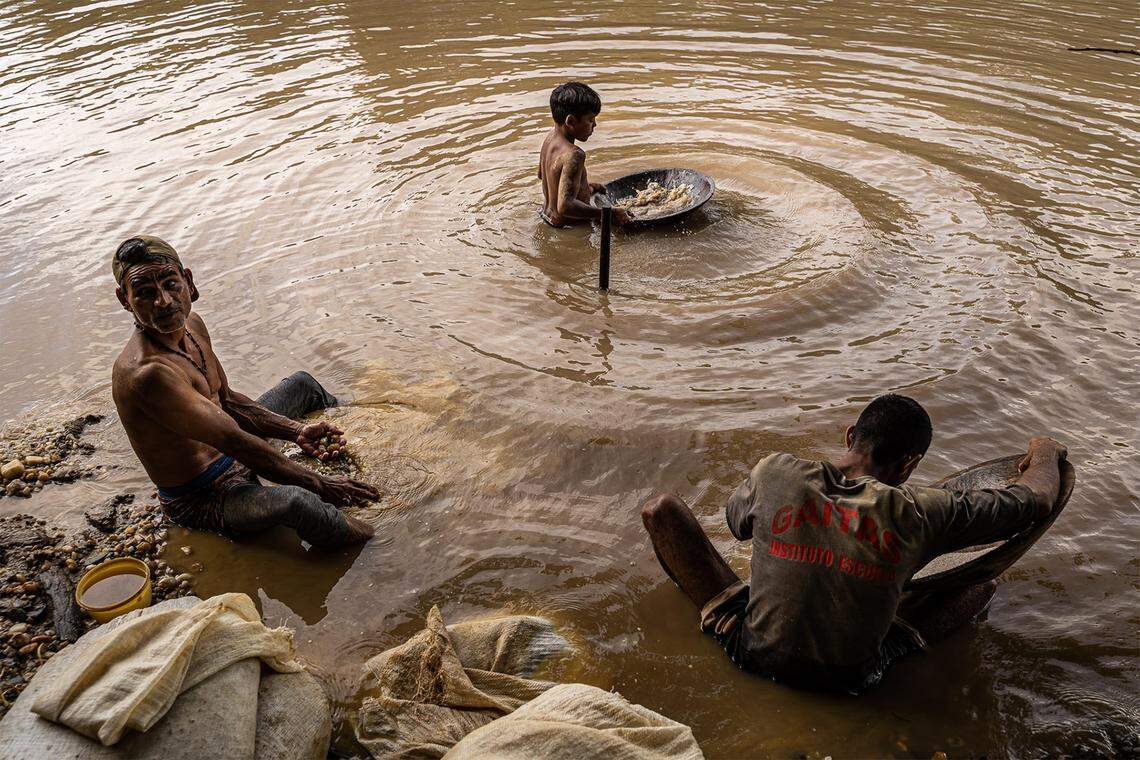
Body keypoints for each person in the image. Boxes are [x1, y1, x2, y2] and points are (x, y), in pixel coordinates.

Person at [641, 394, 1068, 693]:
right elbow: (1037, 498)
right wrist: (1045, 451)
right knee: (983, 582)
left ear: (850, 436)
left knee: (662, 510)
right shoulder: (921, 511)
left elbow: (738, 526)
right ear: (910, 464)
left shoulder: (775, 471)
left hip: (751, 652)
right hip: (850, 681)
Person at [110, 235, 377, 548]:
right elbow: (233, 440)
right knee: (298, 502)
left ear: (189, 282)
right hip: (206, 497)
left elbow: (228, 402)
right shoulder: (147, 374)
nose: (164, 302)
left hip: (235, 453)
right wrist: (322, 483)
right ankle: (385, 540)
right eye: (144, 293)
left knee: (302, 385)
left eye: (170, 284)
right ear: (125, 300)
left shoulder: (193, 324)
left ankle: (361, 425)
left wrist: (297, 431)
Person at [538, 81, 632, 228]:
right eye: (590, 120)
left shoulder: (549, 139)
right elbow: (565, 207)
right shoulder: (574, 154)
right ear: (571, 121)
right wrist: (610, 213)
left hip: (547, 218)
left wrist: (586, 188)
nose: (594, 125)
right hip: (569, 230)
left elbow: (544, 175)